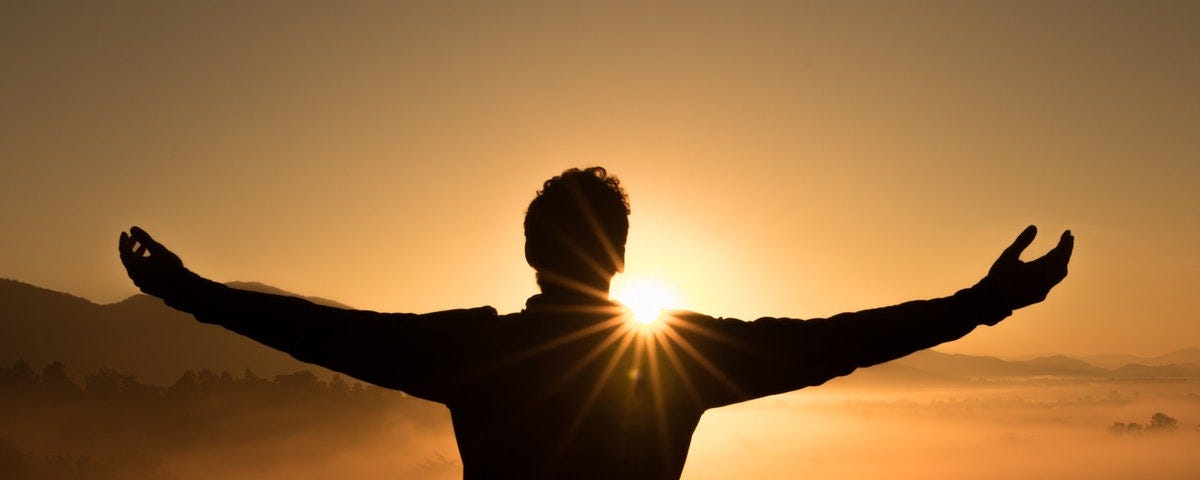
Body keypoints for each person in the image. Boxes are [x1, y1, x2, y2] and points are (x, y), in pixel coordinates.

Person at [118, 166, 1073, 480]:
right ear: (620, 260)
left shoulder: (477, 350)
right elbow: (838, 339)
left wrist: (188, 291)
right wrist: (986, 303)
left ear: (533, 255)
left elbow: (328, 332)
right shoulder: (683, 359)